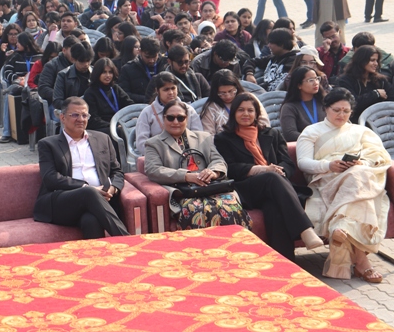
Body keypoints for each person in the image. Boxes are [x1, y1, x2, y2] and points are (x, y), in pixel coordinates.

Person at [297, 88, 392, 281]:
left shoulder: (360, 131)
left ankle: (342, 227)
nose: (341, 115)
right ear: (326, 108)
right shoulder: (311, 131)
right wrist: (329, 165)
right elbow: (303, 162)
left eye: (346, 111)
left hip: (361, 178)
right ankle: (362, 263)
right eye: (337, 110)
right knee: (359, 181)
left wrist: (362, 162)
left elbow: (379, 156)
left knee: (359, 175)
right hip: (327, 180)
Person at [214, 94, 322, 260]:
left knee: (274, 209)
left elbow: (288, 163)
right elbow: (230, 168)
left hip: (276, 188)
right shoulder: (223, 138)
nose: (246, 114)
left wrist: (279, 171)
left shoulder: (272, 134)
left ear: (257, 114)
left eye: (250, 110)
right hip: (246, 189)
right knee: (270, 177)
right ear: (234, 113)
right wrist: (262, 170)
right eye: (241, 110)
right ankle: (305, 229)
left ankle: (285, 264)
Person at [144, 100, 251, 230]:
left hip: (210, 188)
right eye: (171, 118)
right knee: (196, 209)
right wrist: (186, 176)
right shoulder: (154, 144)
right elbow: (153, 170)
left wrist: (213, 172)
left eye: (180, 118)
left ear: (187, 119)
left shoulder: (203, 137)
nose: (175, 122)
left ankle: (235, 241)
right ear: (164, 118)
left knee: (229, 206)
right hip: (183, 192)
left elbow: (218, 160)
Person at [34, 96, 129, 238]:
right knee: (88, 192)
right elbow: (50, 178)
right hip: (62, 202)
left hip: (99, 202)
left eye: (84, 115)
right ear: (62, 117)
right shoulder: (48, 144)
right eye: (75, 115)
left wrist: (113, 188)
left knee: (91, 220)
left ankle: (100, 253)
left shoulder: (103, 139)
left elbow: (117, 171)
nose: (81, 119)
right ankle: (127, 240)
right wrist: (86, 187)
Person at [136, 72, 203, 155]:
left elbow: (198, 135)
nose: (171, 92)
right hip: (158, 156)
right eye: (166, 89)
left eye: (173, 88)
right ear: (157, 91)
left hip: (188, 155)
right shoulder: (147, 113)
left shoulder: (188, 110)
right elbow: (142, 143)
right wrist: (160, 155)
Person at [0, 32, 42, 143]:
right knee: (9, 96)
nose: (16, 44)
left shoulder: (40, 56)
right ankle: (7, 133)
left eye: (19, 42)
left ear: (26, 43)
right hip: (19, 84)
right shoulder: (14, 56)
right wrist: (17, 78)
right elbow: (7, 72)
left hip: (34, 86)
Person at [199, 70, 269, 136]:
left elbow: (264, 123)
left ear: (237, 87)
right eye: (222, 93)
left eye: (231, 91)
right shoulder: (211, 108)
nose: (228, 96)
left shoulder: (250, 99)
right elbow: (208, 135)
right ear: (215, 92)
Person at [337, 45, 394, 123]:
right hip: (355, 122)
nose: (376, 64)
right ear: (361, 60)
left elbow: (391, 99)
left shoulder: (381, 80)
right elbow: (352, 103)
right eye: (372, 60)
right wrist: (375, 94)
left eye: (377, 60)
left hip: (380, 123)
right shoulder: (345, 81)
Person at [82, 58, 133, 134]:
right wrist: (114, 126)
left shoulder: (115, 88)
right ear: (97, 73)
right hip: (102, 128)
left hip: (119, 124)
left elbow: (129, 105)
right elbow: (93, 120)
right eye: (104, 72)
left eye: (110, 72)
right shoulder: (90, 93)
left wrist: (133, 117)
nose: (108, 75)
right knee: (120, 131)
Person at [280, 66, 326, 142]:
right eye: (310, 80)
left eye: (317, 79)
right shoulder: (289, 107)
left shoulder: (324, 101)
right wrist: (314, 140)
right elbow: (289, 133)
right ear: (299, 85)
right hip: (305, 145)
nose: (316, 83)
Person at [118, 37, 167, 103]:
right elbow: (124, 93)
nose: (151, 60)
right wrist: (147, 99)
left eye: (154, 57)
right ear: (140, 51)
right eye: (147, 57)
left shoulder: (166, 65)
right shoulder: (127, 69)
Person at [52, 41, 94, 111]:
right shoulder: (63, 75)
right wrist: (75, 106)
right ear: (73, 59)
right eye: (82, 61)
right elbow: (57, 101)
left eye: (88, 61)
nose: (86, 64)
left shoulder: (95, 73)